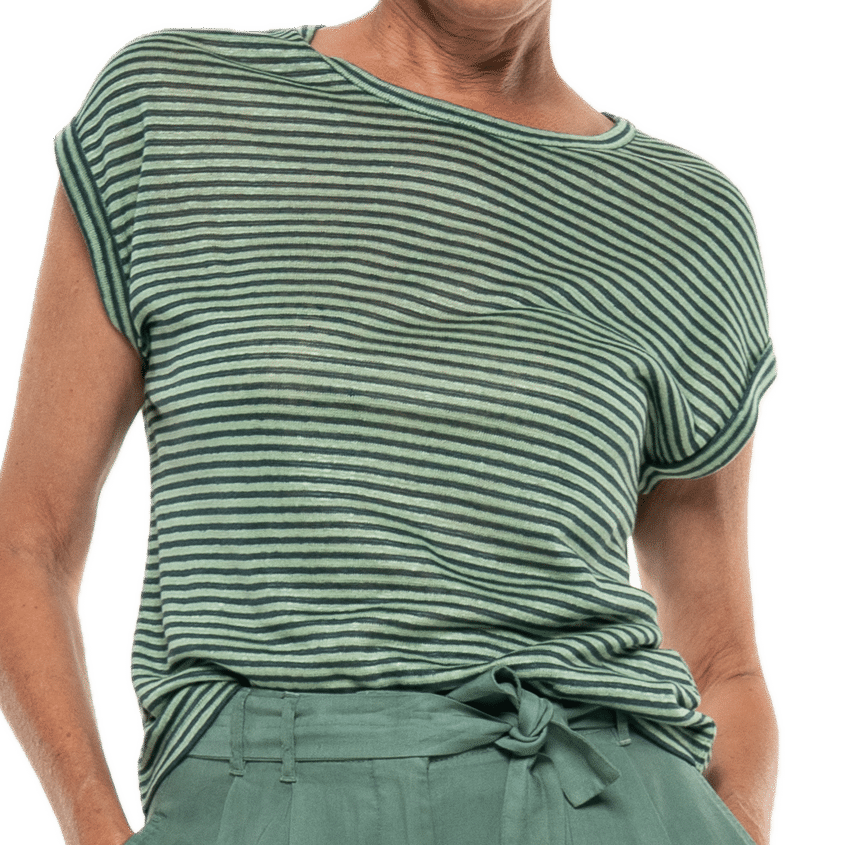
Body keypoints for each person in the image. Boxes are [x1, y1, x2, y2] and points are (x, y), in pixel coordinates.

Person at [0, 1, 783, 844]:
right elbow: (27, 538)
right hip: (268, 792)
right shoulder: (177, 105)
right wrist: (93, 826)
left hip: (606, 795)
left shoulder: (686, 217)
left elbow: (721, 659)